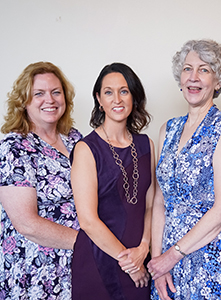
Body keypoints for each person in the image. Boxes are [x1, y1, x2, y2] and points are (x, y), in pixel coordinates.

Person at [147, 39, 221, 300]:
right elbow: (159, 201)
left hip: (209, 258)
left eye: (204, 70)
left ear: (218, 80)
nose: (193, 77)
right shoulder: (167, 129)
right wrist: (158, 262)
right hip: (167, 260)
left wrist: (173, 254)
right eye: (188, 69)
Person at [70, 62, 155, 299]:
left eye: (124, 91)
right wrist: (129, 263)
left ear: (134, 97)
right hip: (99, 262)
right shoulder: (86, 148)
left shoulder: (146, 144)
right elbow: (87, 220)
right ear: (99, 99)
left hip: (140, 258)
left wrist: (144, 248)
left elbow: (150, 204)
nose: (117, 99)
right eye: (108, 92)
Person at [0, 61, 82, 299]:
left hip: (77, 265)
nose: (50, 99)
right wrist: (91, 244)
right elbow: (27, 224)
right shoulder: (14, 148)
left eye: (56, 92)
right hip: (37, 269)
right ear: (24, 102)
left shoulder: (75, 139)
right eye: (39, 94)